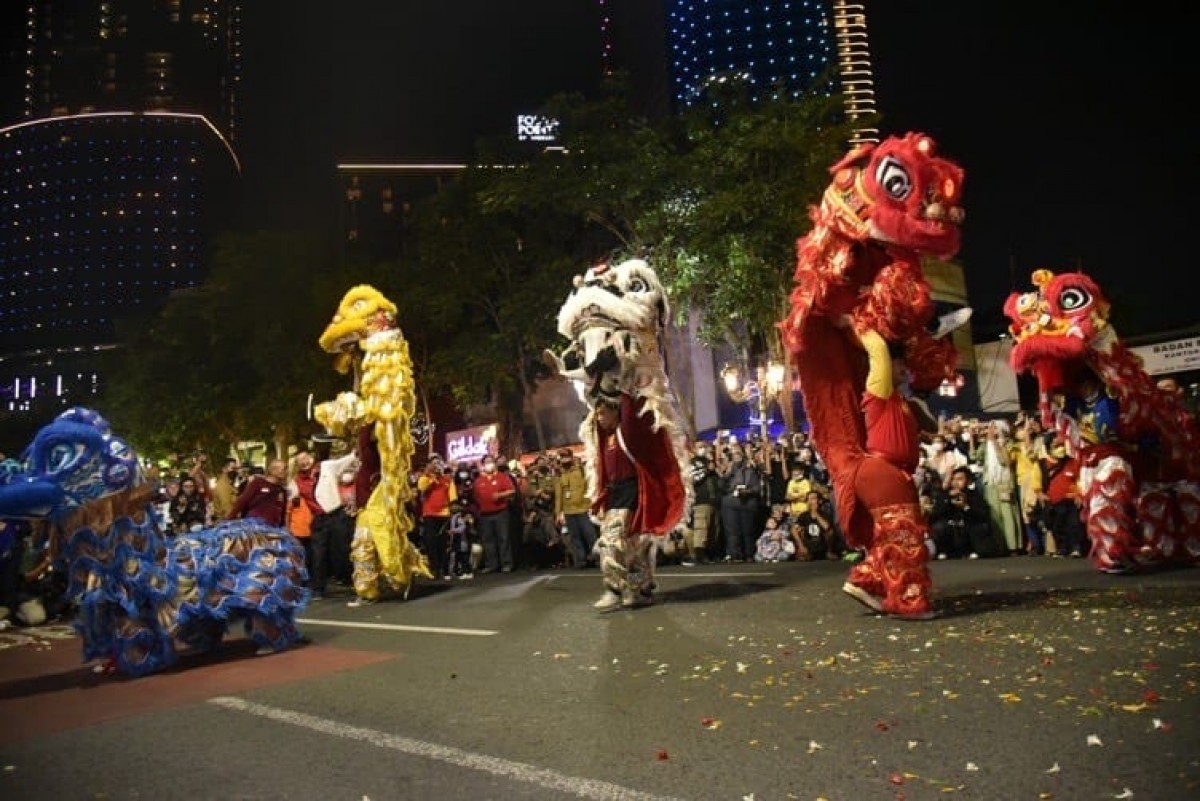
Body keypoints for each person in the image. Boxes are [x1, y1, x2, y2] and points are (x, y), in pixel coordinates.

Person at [840, 328, 939, 619]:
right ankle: (909, 603)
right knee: (904, 538)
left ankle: (866, 581)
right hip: (883, 472)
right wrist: (854, 321)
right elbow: (879, 351)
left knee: (892, 537)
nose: (903, 370)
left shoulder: (900, 401)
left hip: (891, 475)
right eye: (899, 365)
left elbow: (932, 427)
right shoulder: (879, 388)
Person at [587, 391, 687, 611]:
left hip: (633, 491)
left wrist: (623, 380)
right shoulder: (604, 436)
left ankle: (622, 588)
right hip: (614, 494)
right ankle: (633, 588)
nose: (599, 418)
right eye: (598, 414)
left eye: (604, 413)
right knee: (626, 544)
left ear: (616, 412)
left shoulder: (627, 432)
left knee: (619, 542)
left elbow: (631, 409)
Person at [554, 447, 599, 568]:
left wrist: (592, 505)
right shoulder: (559, 475)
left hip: (583, 509)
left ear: (571, 457)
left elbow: (589, 487)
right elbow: (559, 496)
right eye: (562, 457)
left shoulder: (581, 470)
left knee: (590, 535)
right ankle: (580, 561)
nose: (564, 459)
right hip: (568, 511)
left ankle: (597, 558)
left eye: (566, 456)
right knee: (575, 538)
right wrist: (558, 513)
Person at [416, 455, 457, 581]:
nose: (436, 466)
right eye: (434, 463)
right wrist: (431, 477)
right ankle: (433, 567)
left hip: (443, 515)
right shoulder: (424, 478)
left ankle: (443, 569)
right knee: (430, 542)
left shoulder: (447, 480)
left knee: (443, 543)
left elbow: (453, 498)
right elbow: (421, 488)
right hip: (429, 515)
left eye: (438, 463)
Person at [474, 455, 516, 573]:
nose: (489, 464)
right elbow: (476, 498)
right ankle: (492, 565)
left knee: (504, 538)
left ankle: (506, 564)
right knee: (488, 541)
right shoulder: (478, 481)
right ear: (483, 465)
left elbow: (512, 491)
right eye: (486, 462)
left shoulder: (502, 477)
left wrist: (500, 495)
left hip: (501, 512)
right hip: (485, 515)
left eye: (491, 462)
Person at [682, 442, 719, 566]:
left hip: (713, 500)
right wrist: (707, 470)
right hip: (701, 500)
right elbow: (694, 479)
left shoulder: (709, 461)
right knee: (701, 527)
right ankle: (698, 554)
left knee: (713, 529)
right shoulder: (694, 463)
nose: (703, 449)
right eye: (700, 447)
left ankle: (709, 554)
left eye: (704, 446)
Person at [228, 458, 288, 527]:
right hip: (255, 527)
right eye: (284, 469)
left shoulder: (282, 490)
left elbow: (282, 512)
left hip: (272, 529)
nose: (287, 471)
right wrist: (229, 519)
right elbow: (242, 501)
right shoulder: (258, 483)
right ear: (274, 470)